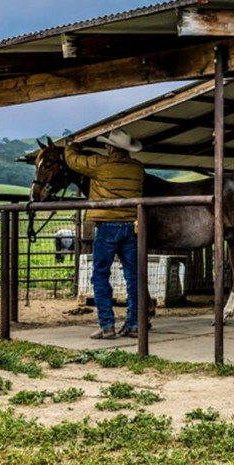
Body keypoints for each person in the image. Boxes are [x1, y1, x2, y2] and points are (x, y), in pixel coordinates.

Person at [65, 129, 145, 339]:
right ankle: (135, 324)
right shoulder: (137, 168)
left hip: (107, 226)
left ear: (110, 147)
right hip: (132, 226)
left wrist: (71, 145)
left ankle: (107, 325)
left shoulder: (101, 164)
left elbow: (73, 161)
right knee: (134, 277)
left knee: (100, 275)